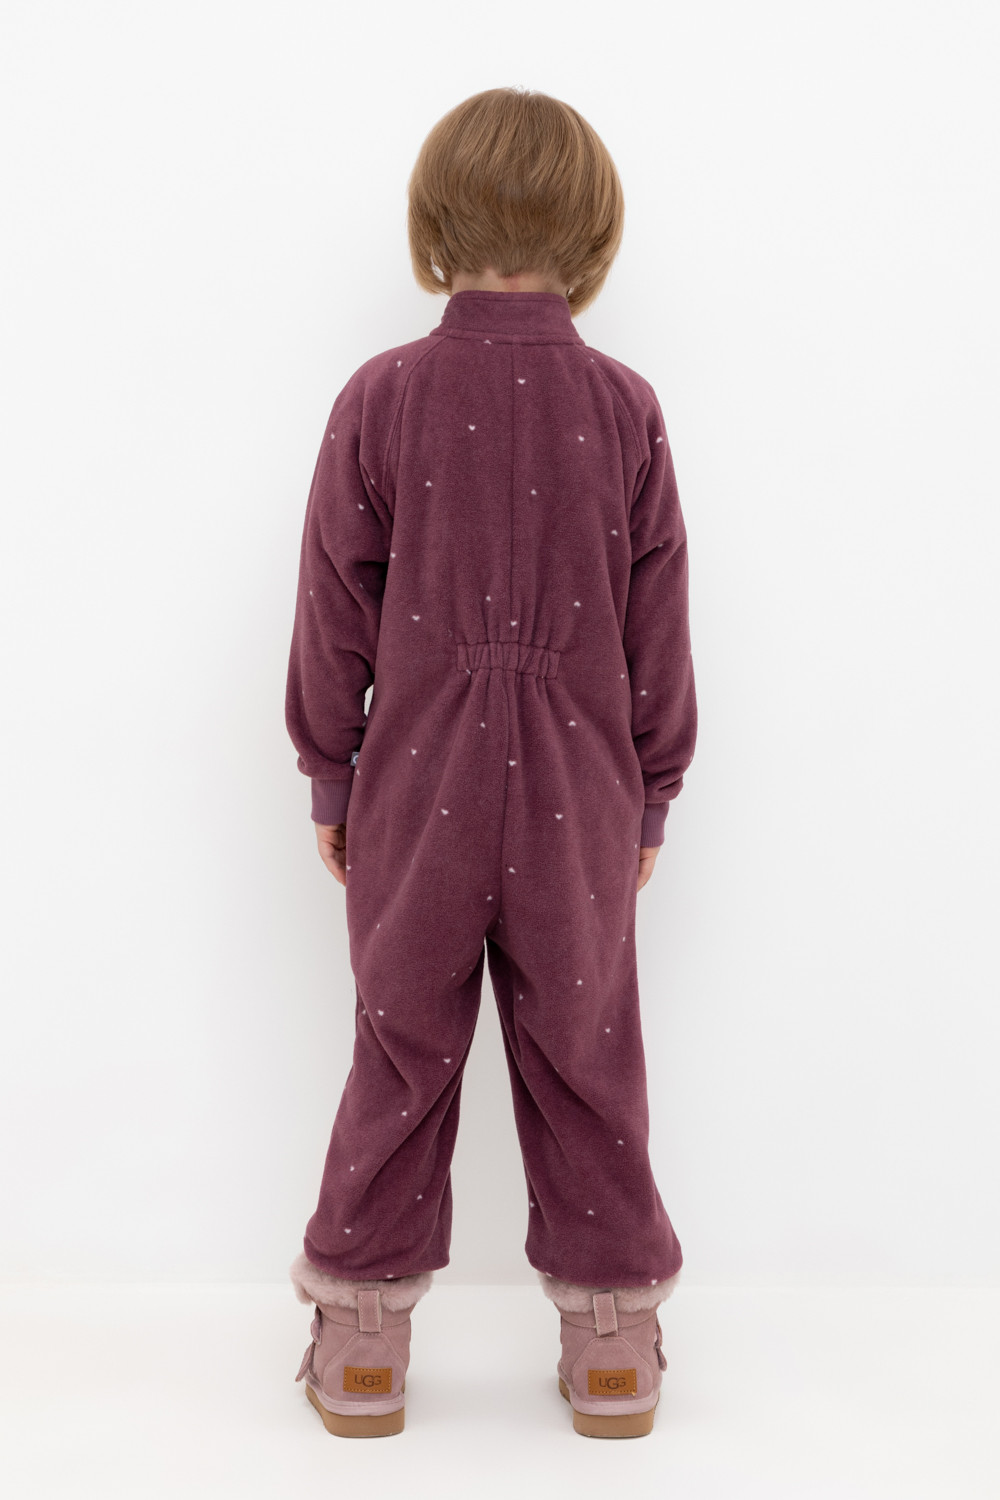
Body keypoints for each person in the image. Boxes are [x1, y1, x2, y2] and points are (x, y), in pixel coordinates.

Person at [285, 86, 698, 1439]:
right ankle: (614, 1340)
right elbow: (655, 624)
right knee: (586, 1047)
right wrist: (651, 791)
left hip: (419, 778)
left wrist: (334, 772)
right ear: (593, 230)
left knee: (400, 1041)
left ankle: (361, 1338)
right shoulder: (625, 407)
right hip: (582, 782)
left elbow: (333, 608)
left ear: (435, 221)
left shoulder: (383, 397)